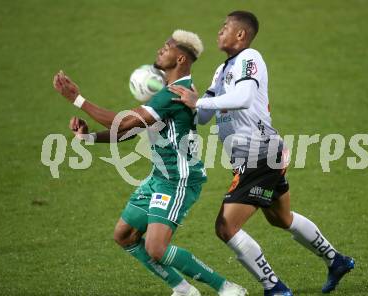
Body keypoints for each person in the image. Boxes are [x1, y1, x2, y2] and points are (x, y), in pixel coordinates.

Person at [170, 11, 355, 296]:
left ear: (240, 35)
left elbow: (243, 98)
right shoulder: (222, 71)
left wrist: (200, 102)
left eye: (225, 28)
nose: (219, 32)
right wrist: (184, 95)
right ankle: (336, 260)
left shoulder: (250, 58)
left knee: (225, 227)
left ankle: (275, 288)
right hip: (259, 153)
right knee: (281, 218)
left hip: (258, 154)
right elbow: (204, 115)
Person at [53, 29, 247, 296]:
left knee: (156, 248)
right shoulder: (175, 91)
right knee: (125, 235)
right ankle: (183, 290)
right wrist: (87, 137)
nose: (160, 50)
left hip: (178, 179)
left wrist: (78, 99)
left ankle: (227, 288)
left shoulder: (174, 94)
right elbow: (129, 131)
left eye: (166, 47)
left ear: (180, 58)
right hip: (160, 176)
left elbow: (123, 121)